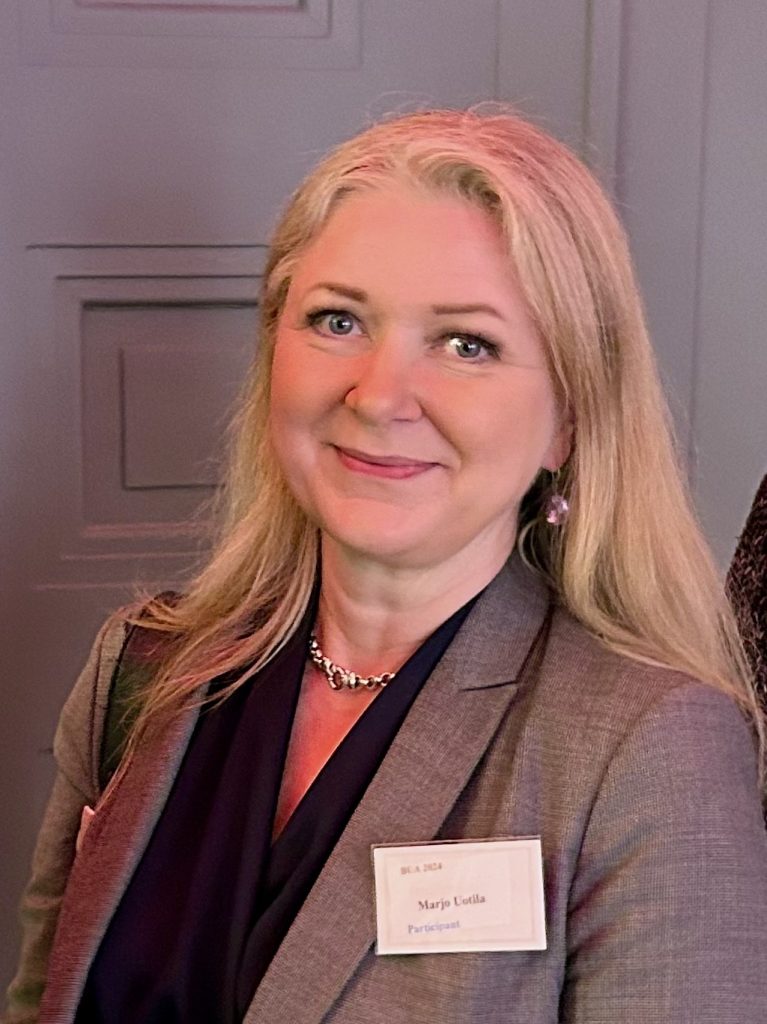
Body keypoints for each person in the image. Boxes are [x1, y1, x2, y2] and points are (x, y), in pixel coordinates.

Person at [5, 108, 767, 1024]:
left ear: (567, 419)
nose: (378, 396)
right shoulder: (140, 672)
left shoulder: (650, 746)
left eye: (465, 344)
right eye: (338, 321)